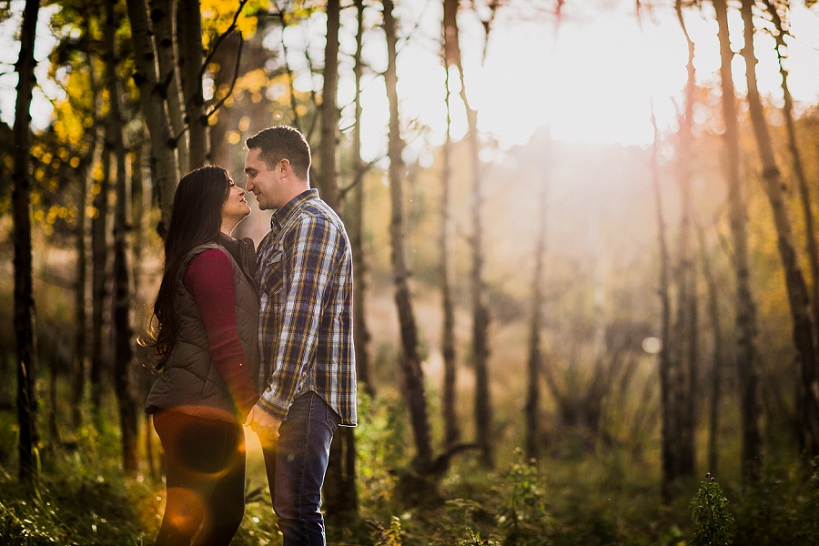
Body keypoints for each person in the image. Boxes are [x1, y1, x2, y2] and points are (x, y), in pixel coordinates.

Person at [244, 126, 357, 545]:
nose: (248, 183)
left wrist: (274, 402)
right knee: (290, 513)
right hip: (290, 395)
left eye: (253, 171)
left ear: (284, 166)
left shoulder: (312, 224)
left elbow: (301, 318)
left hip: (302, 397)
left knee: (298, 513)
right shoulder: (285, 229)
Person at [144, 165, 261, 546]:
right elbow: (225, 341)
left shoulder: (223, 256)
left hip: (212, 407)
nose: (241, 189)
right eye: (229, 185)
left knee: (226, 516)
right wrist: (252, 406)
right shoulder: (210, 259)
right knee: (183, 524)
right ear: (210, 200)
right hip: (195, 410)